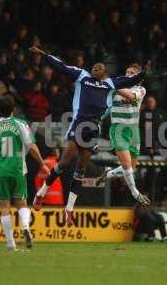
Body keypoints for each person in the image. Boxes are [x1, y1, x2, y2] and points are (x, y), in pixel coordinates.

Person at [30, 46, 145, 226]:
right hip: (79, 125)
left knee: (81, 169)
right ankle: (40, 193)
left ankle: (69, 209)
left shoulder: (110, 83)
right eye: (94, 67)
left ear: (104, 72)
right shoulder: (82, 76)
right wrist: (44, 55)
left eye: (99, 68)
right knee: (64, 162)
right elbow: (62, 66)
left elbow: (136, 79)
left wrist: (147, 70)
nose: (95, 68)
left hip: (93, 129)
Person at [0, 95, 50, 250]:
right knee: (21, 204)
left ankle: (10, 243)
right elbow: (32, 147)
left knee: (5, 206)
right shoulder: (20, 124)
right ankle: (25, 227)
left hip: (0, 170)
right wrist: (42, 164)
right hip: (18, 169)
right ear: (13, 109)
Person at [95, 63, 150, 205]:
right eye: (127, 72)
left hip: (133, 130)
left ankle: (108, 173)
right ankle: (135, 193)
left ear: (139, 77)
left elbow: (131, 97)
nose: (128, 75)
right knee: (126, 165)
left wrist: (112, 84)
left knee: (131, 167)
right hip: (118, 128)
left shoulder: (140, 89)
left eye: (132, 73)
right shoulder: (114, 88)